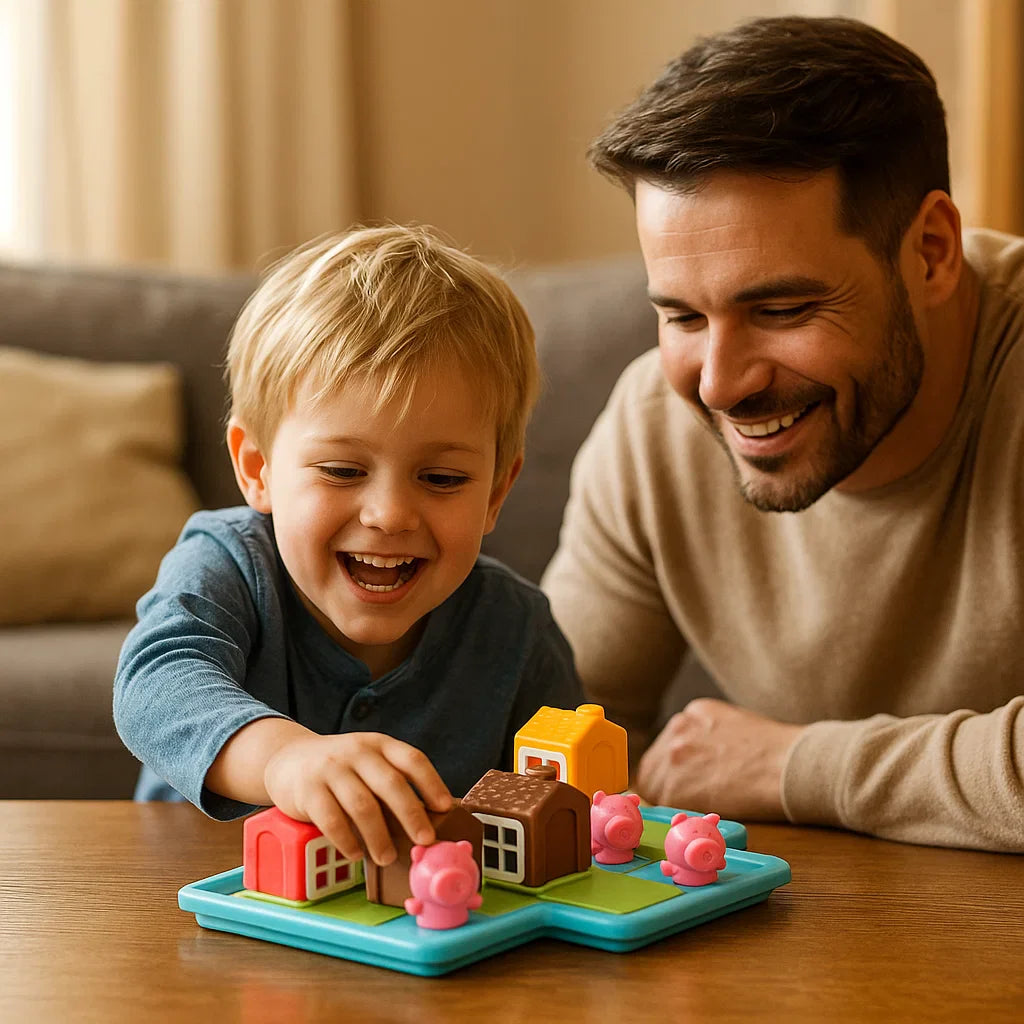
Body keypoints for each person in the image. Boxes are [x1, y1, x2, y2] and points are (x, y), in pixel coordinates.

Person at [541, 16, 1024, 851]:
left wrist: (794, 767)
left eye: (783, 310)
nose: (721, 383)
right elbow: (555, 729)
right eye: (683, 315)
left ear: (933, 252)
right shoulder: (654, 426)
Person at [114, 224, 583, 867]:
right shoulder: (227, 561)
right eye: (341, 471)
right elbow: (154, 687)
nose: (389, 515)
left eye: (442, 479)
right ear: (256, 468)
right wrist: (284, 758)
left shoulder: (516, 626)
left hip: (422, 931)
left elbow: (559, 792)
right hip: (190, 899)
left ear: (497, 492)